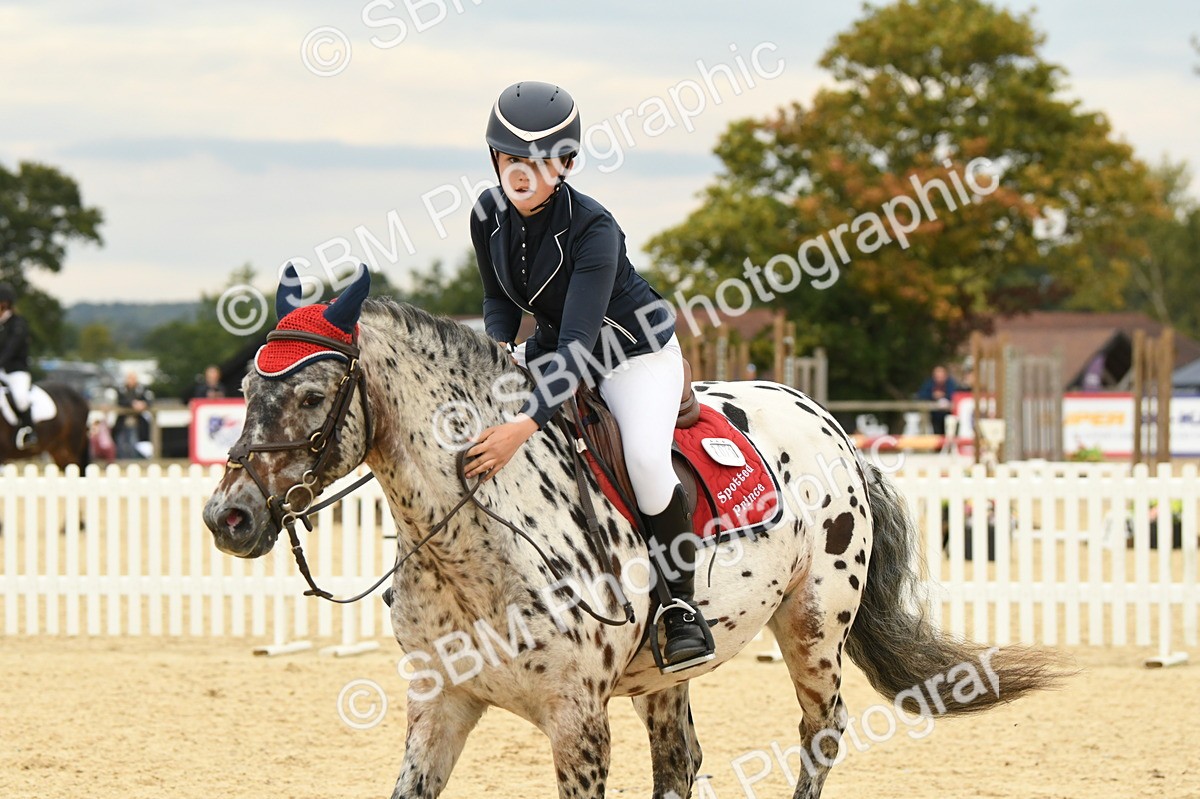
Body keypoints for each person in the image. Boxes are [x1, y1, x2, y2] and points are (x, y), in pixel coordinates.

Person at [464, 81, 713, 673]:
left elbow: (578, 350)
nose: (521, 173)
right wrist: (498, 357)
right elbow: (498, 301)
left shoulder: (595, 228)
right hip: (554, 348)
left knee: (648, 462)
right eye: (510, 159)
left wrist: (521, 427)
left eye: (539, 161)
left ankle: (679, 606)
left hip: (631, 355)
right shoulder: (486, 213)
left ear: (567, 164)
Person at [0, 283, 37, 449]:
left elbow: (11, 349)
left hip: (16, 371)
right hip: (1, 371)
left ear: (4, 304)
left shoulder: (17, 324)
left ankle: (28, 431)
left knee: (21, 398)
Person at [113, 371, 154, 459]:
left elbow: (149, 401)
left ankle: (134, 460)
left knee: (133, 442)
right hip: (122, 421)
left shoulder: (141, 389)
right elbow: (120, 402)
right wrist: (132, 404)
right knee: (121, 442)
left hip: (137, 421)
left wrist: (143, 404)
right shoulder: (121, 389)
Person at [916, 364, 959, 435]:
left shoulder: (951, 384)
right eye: (937, 375)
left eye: (941, 374)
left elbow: (955, 395)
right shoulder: (929, 383)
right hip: (933, 415)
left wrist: (944, 395)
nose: (939, 377)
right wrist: (932, 395)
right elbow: (921, 395)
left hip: (948, 414)